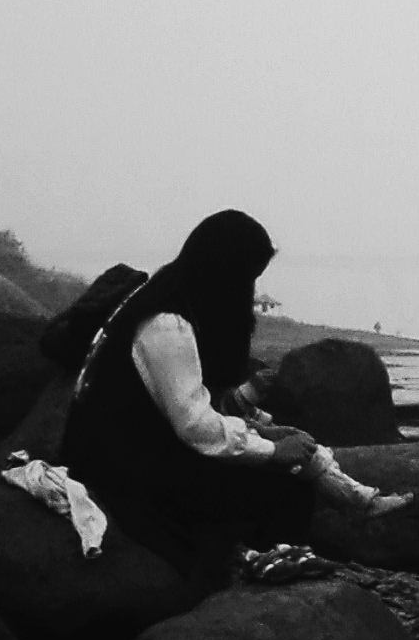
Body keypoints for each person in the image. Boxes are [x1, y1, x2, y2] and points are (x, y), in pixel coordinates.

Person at [59, 208, 396, 579]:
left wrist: (265, 432)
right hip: (120, 467)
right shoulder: (167, 324)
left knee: (277, 469)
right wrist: (271, 451)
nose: (247, 291)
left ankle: (267, 556)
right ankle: (272, 567)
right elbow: (194, 424)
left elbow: (200, 406)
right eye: (246, 277)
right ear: (224, 269)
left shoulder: (170, 299)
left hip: (135, 447)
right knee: (285, 486)